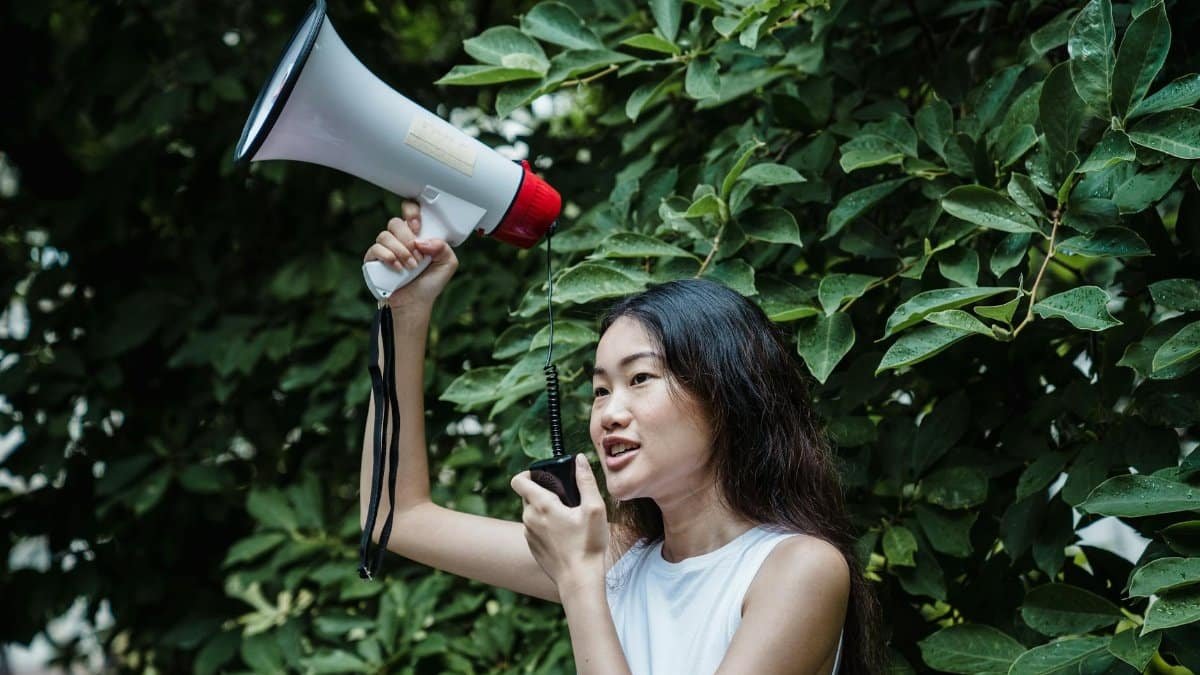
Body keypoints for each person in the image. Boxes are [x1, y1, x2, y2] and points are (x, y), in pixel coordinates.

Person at [360, 201, 884, 674]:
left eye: (639, 379)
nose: (609, 412)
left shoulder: (798, 569)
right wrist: (405, 313)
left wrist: (580, 580)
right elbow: (397, 517)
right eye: (599, 390)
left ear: (726, 396)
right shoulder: (620, 558)